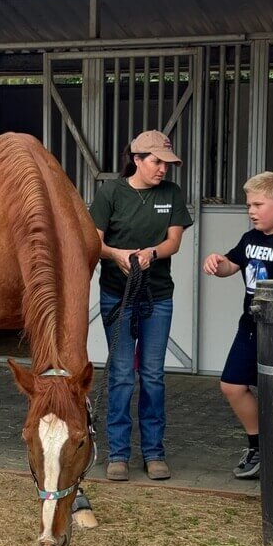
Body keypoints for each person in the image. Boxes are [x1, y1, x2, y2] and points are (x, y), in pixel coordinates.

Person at [89, 130, 193, 481]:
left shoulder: (172, 194)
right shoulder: (110, 193)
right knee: (120, 375)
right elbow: (94, 242)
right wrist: (117, 255)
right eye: (156, 162)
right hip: (118, 295)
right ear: (136, 159)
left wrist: (151, 253)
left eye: (167, 163)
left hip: (157, 295)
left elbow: (174, 241)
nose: (163, 169)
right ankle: (118, 452)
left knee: (152, 375)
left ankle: (154, 452)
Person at [203, 172, 273, 479]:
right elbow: (231, 265)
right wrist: (216, 262)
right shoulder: (250, 238)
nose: (251, 211)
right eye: (248, 205)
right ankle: (258, 446)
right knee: (232, 385)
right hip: (250, 325)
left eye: (257, 204)